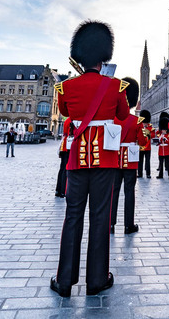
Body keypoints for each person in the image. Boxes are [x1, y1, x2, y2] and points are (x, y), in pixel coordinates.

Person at [51, 21, 129, 298]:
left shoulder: (66, 87)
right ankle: (96, 279)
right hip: (105, 161)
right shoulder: (114, 86)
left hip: (77, 160)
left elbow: (65, 112)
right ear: (104, 56)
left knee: (72, 217)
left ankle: (64, 281)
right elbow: (122, 114)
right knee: (99, 217)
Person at [110, 77, 148, 235]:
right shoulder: (136, 121)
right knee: (129, 192)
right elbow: (142, 142)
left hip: (114, 159)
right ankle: (128, 225)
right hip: (130, 162)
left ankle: (110, 224)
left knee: (114, 191)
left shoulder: (112, 119)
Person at [56, 118, 71, 198]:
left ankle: (58, 190)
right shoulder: (71, 120)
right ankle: (63, 191)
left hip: (64, 146)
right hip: (68, 147)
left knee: (62, 169)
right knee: (66, 169)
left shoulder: (67, 120)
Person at [156, 113, 169, 179]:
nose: (163, 131)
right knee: (161, 164)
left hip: (167, 151)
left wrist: (164, 138)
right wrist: (160, 135)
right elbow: (157, 134)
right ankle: (160, 175)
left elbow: (168, 141)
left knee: (168, 163)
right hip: (160, 151)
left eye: (164, 130)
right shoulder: (160, 134)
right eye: (162, 130)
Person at [137, 113, 152, 178]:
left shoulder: (150, 127)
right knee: (140, 161)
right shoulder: (139, 126)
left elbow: (152, 135)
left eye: (146, 123)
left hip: (147, 147)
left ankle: (148, 174)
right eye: (144, 123)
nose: (145, 124)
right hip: (140, 147)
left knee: (147, 161)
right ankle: (140, 174)